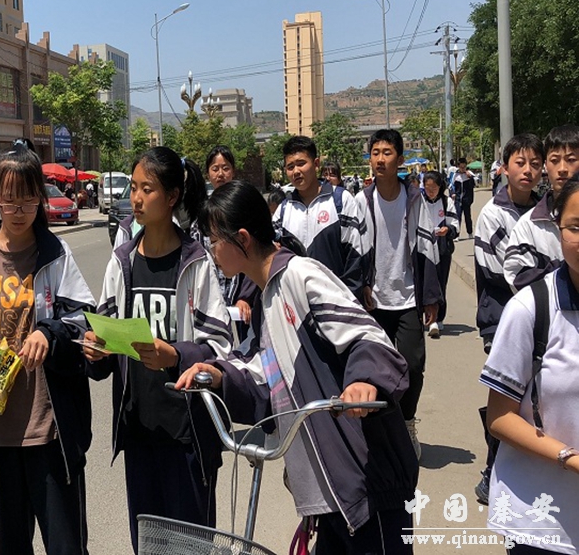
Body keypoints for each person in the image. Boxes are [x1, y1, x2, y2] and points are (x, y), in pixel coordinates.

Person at [177, 180, 418, 554]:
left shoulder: (301, 275)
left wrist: (363, 380)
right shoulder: (266, 299)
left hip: (366, 485)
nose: (211, 251)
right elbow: (266, 377)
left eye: (214, 241)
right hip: (325, 494)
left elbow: (367, 334)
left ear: (242, 239)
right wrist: (219, 375)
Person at [0, 147, 97, 555]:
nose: (18, 210)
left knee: (66, 545)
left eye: (29, 199)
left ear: (40, 199)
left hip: (49, 429)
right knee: (11, 545)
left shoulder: (55, 254)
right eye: (10, 199)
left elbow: (84, 318)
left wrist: (49, 333)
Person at [83, 146, 232, 554]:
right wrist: (95, 351)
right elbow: (104, 334)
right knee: (148, 545)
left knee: (190, 545)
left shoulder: (196, 262)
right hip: (140, 430)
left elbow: (220, 346)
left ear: (171, 197)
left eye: (146, 189)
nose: (136, 198)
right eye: (133, 188)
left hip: (187, 435)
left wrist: (176, 356)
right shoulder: (122, 261)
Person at [480, 175, 579, 554]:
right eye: (575, 227)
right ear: (557, 229)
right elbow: (500, 417)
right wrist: (569, 457)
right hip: (541, 520)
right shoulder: (530, 308)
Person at [356, 128, 442, 459]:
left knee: (412, 365)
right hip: (374, 300)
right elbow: (355, 249)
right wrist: (362, 285)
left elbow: (427, 247)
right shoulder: (361, 200)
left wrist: (431, 296)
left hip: (407, 299)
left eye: (387, 153)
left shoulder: (415, 199)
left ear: (400, 160)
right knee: (372, 369)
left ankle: (407, 423)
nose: (380, 159)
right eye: (375, 153)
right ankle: (377, 433)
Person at [472, 133, 544, 505]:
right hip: (501, 320)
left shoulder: (546, 210)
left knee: (535, 400)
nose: (528, 170)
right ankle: (492, 472)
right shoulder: (492, 214)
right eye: (520, 163)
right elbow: (504, 272)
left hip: (541, 321)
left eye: (535, 163)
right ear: (504, 168)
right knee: (508, 401)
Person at [274, 135, 368, 301]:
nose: (296, 171)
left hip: (337, 303)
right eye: (290, 167)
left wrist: (348, 300)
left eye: (301, 163)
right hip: (298, 304)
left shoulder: (341, 200)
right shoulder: (283, 210)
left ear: (316, 164)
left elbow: (356, 254)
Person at [504, 125, 579, 292]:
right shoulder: (530, 224)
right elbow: (516, 277)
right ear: (546, 165)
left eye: (571, 160)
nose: (562, 169)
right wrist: (566, 270)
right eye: (554, 160)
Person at [204, 144, 259, 338]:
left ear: (233, 171)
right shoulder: (204, 212)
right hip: (212, 296)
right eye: (215, 168)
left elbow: (256, 254)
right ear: (208, 174)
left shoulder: (245, 206)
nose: (220, 174)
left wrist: (245, 296)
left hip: (242, 299)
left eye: (225, 168)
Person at [421, 171, 459, 339]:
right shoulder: (419, 201)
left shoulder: (446, 202)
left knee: (440, 281)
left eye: (434, 188)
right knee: (425, 282)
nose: (430, 192)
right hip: (424, 247)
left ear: (440, 187)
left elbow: (455, 224)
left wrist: (448, 230)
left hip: (442, 247)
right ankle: (428, 317)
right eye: (427, 188)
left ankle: (439, 316)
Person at [453, 157, 476, 240]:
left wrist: (470, 178)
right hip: (458, 199)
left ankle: (470, 232)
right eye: (461, 167)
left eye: (464, 167)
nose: (462, 169)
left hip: (466, 199)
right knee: (457, 217)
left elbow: (473, 185)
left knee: (467, 217)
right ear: (458, 166)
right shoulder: (455, 175)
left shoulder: (470, 174)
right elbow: (451, 186)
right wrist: (452, 194)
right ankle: (456, 234)